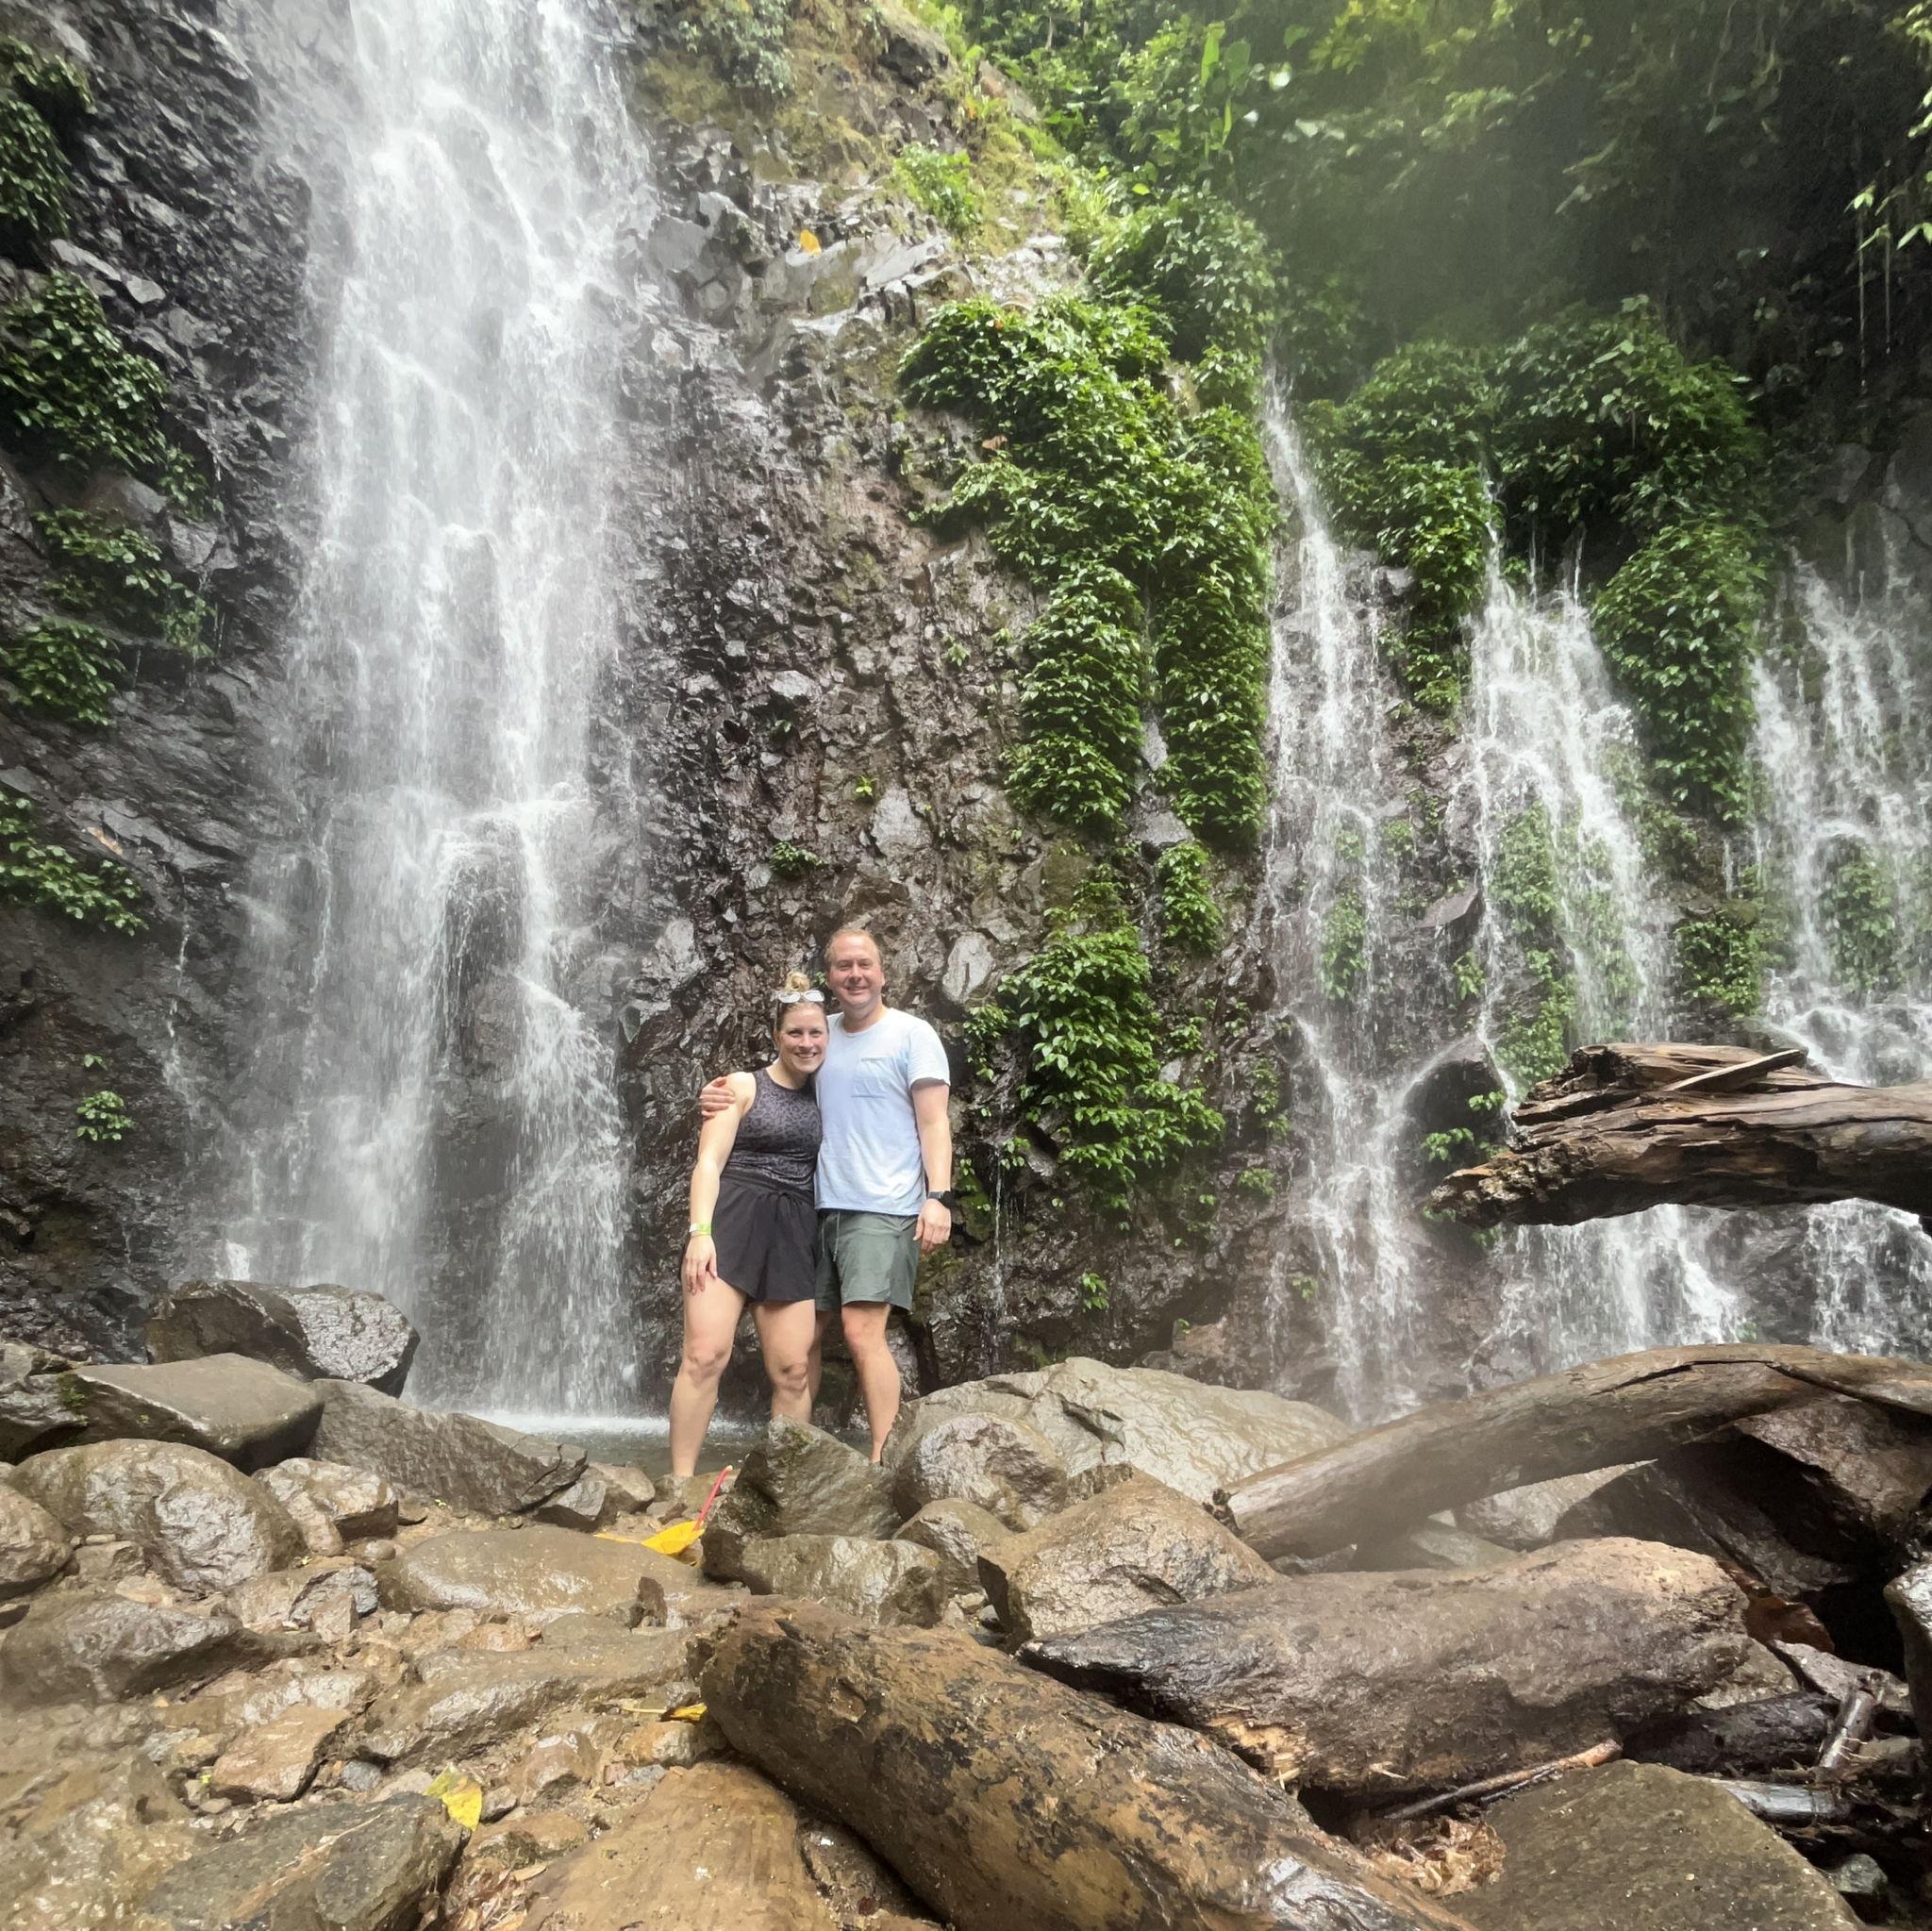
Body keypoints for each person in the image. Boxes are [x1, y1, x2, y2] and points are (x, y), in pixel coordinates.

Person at [702, 924, 953, 1458]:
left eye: (865, 964)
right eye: (843, 966)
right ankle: (797, 1454)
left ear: (883, 972)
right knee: (805, 1339)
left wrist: (939, 1197)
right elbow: (776, 1082)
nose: (855, 975)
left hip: (882, 1206)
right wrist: (717, 1093)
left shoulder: (913, 1035)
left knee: (861, 1333)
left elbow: (934, 1122)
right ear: (830, 977)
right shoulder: (821, 1034)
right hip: (813, 1207)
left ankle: (883, 1460)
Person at [670, 972, 827, 1480]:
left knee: (793, 1370)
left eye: (816, 1032)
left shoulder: (832, 1091)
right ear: (777, 1036)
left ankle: (783, 1488)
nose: (806, 1042)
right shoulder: (742, 1086)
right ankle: (680, 1482)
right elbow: (708, 1164)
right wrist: (700, 1233)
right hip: (734, 1218)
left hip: (794, 1227)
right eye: (795, 1033)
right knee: (704, 1354)